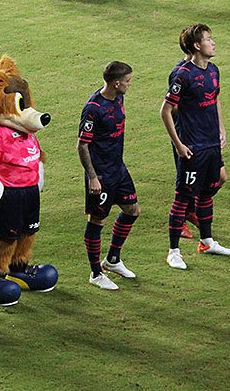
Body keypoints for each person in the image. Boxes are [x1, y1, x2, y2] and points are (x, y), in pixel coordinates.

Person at [161, 24, 230, 269]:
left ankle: (207, 241)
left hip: (211, 142)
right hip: (193, 145)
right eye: (208, 39)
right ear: (196, 45)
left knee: (206, 193)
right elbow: (166, 111)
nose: (213, 43)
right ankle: (173, 252)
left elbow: (215, 99)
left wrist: (221, 128)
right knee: (183, 197)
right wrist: (178, 144)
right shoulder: (182, 75)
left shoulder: (213, 70)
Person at [79, 62, 139, 290]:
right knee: (97, 220)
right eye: (127, 81)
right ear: (116, 83)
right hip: (101, 175)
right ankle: (96, 273)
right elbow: (82, 145)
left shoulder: (119, 98)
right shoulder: (93, 108)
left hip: (118, 169)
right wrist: (92, 177)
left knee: (132, 210)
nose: (129, 85)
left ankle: (113, 259)